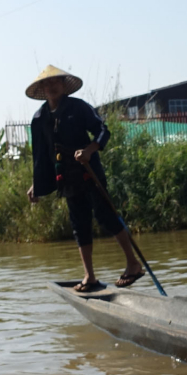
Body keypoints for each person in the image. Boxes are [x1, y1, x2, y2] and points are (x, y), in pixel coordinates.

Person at [25, 65, 144, 292]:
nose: (51, 86)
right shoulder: (39, 118)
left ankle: (133, 264)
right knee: (79, 224)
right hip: (66, 176)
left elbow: (102, 130)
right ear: (42, 88)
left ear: (64, 85)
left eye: (56, 82)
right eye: (47, 83)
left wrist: (90, 149)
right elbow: (41, 154)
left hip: (88, 171)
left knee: (106, 215)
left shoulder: (78, 107)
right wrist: (37, 184)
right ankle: (89, 276)